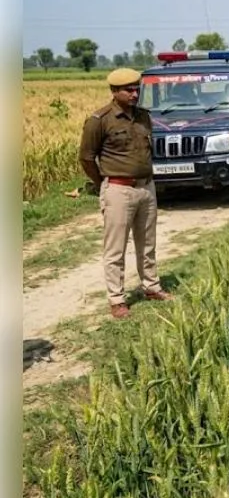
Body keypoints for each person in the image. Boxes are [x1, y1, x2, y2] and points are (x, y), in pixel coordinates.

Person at [78, 68, 172, 319]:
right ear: (113, 91)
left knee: (147, 243)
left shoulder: (143, 117)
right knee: (115, 248)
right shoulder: (100, 120)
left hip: (146, 188)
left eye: (136, 89)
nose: (134, 94)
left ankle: (151, 287)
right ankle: (117, 299)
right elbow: (86, 158)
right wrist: (103, 184)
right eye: (128, 90)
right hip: (118, 189)